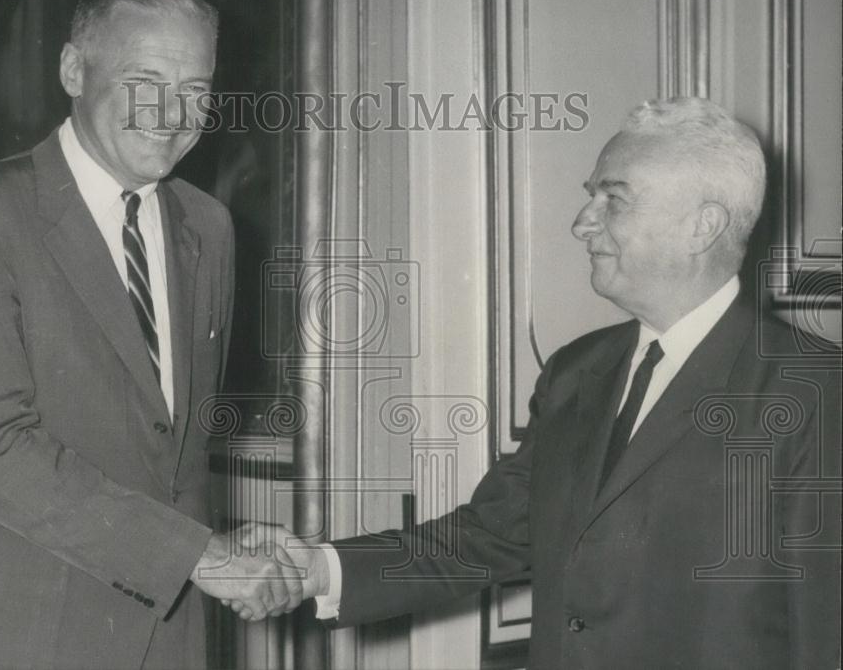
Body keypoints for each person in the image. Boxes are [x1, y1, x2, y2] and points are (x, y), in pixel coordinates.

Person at [236, 98, 841, 669]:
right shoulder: (578, 370)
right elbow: (489, 534)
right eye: (590, 197)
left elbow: (825, 630)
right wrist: (319, 568)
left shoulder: (813, 389)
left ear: (702, 226)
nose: (583, 222)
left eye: (615, 199)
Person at [0, 0, 300, 670]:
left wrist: (226, 557)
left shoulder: (209, 227)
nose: (173, 116)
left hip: (173, 634)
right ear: (73, 69)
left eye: (195, 91)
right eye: (145, 82)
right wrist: (202, 558)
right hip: (27, 633)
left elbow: (171, 454)